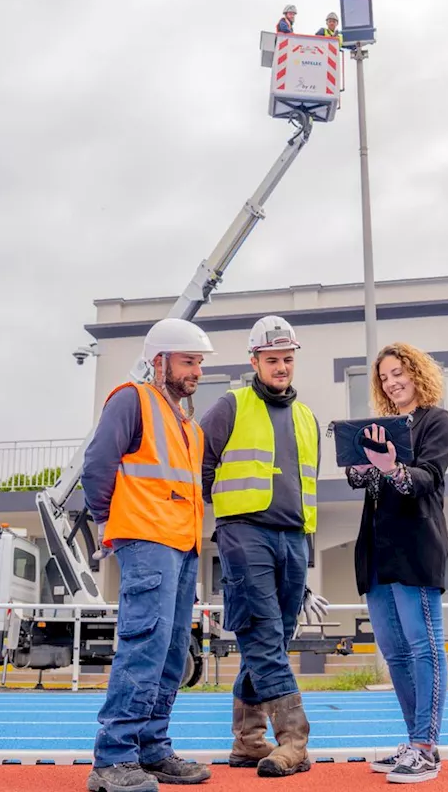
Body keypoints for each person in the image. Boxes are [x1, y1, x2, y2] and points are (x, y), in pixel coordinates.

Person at [83, 317, 216, 792]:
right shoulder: (131, 399)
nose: (196, 371)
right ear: (158, 361)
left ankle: (152, 748)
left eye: (199, 363)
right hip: (145, 540)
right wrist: (106, 521)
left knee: (172, 651)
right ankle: (113, 758)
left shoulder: (188, 425)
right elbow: (97, 465)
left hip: (183, 548)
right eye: (188, 361)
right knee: (145, 645)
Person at [200, 315, 327, 778]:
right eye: (272, 359)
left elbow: (307, 486)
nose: (281, 367)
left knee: (273, 636)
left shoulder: (307, 417)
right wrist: (226, 517)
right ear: (254, 360)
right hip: (245, 534)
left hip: (294, 540)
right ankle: (293, 741)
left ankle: (247, 742)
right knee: (262, 633)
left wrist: (307, 549)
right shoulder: (228, 407)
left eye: (287, 359)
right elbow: (202, 467)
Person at [345, 343, 448, 784]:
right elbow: (366, 478)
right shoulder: (381, 427)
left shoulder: (436, 421)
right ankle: (414, 741)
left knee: (424, 647)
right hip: (376, 552)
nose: (392, 382)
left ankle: (427, 748)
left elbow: (427, 477)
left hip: (415, 549)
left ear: (417, 374)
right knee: (394, 654)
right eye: (385, 377)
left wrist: (392, 468)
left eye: (399, 373)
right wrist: (362, 466)